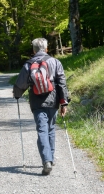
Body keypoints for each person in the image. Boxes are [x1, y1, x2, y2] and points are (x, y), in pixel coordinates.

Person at [13, 37, 71, 175]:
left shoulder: (28, 65)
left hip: (37, 102)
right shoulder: (55, 62)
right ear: (46, 49)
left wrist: (17, 95)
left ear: (33, 50)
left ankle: (47, 161)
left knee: (42, 130)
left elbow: (20, 84)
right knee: (50, 129)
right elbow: (62, 83)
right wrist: (64, 103)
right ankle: (49, 158)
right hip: (53, 101)